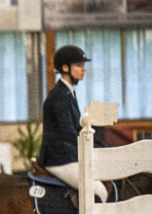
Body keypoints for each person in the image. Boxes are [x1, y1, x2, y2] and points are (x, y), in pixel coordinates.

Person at [38, 45, 108, 202]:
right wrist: (91, 145)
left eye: (83, 65)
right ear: (65, 68)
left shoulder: (68, 92)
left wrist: (100, 146)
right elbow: (68, 132)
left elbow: (77, 128)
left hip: (68, 156)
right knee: (99, 192)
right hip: (59, 159)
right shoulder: (59, 96)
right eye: (78, 65)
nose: (83, 69)